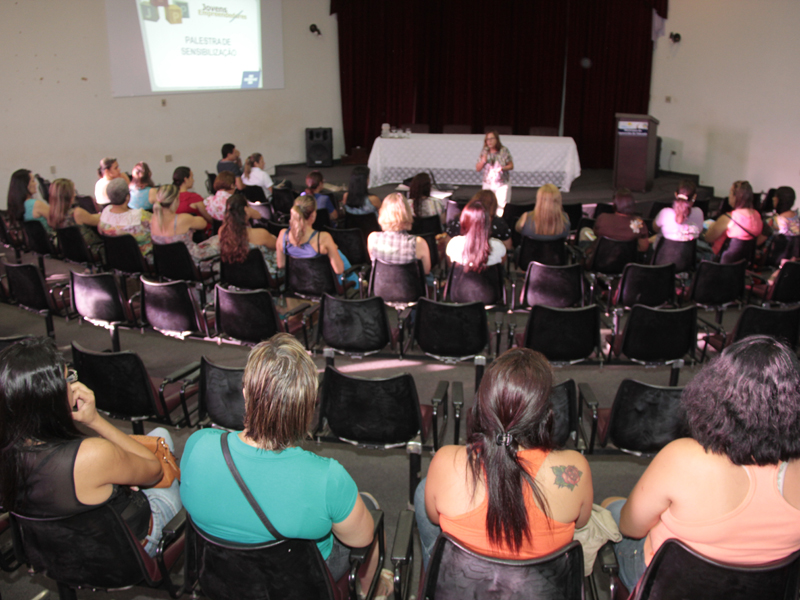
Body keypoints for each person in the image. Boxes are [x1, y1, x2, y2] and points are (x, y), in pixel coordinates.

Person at [180, 334, 392, 596]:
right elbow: (361, 540)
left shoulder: (197, 446)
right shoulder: (327, 477)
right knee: (367, 506)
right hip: (298, 585)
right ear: (307, 410)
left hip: (222, 579)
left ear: (246, 393)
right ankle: (372, 588)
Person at [603, 335, 800, 592]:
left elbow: (631, 527)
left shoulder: (686, 457)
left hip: (667, 586)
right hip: (760, 590)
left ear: (716, 391)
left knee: (611, 508)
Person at [0, 337, 182, 558]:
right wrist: (95, 420)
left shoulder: (11, 450)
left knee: (158, 437)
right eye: (68, 378)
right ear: (50, 395)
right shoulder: (92, 454)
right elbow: (154, 472)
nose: (74, 385)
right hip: (122, 552)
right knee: (165, 445)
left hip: (56, 550)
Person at [415, 348, 593, 567]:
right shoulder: (575, 468)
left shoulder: (445, 461)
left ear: (482, 406)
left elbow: (434, 518)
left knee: (423, 490)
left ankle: (430, 572)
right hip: (540, 590)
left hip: (464, 588)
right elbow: (582, 521)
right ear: (546, 414)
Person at [276, 196, 357, 286]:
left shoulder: (283, 235)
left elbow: (281, 265)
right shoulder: (323, 238)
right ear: (313, 215)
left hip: (297, 286)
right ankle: (360, 289)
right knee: (338, 254)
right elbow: (339, 270)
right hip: (324, 288)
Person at [150, 184, 219, 263]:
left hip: (167, 264)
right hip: (194, 263)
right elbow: (203, 223)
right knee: (218, 239)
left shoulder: (153, 219)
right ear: (176, 200)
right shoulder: (182, 219)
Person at [367, 193, 431, 274]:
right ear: (407, 213)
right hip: (409, 286)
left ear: (382, 212)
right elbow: (426, 271)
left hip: (381, 285)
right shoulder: (419, 243)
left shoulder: (372, 238)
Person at [219, 193, 280, 277]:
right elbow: (278, 246)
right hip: (262, 277)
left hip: (236, 277)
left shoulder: (222, 231)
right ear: (246, 209)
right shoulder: (261, 234)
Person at [98, 177, 153, 262]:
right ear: (127, 197)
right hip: (142, 260)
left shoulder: (105, 214)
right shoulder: (141, 216)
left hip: (116, 260)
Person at [704, 180, 763, 256]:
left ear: (736, 197)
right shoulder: (757, 216)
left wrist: (712, 227)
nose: (729, 196)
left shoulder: (728, 219)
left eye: (730, 193)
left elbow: (708, 238)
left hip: (719, 259)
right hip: (743, 261)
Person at [446, 198, 506, 271]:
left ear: (464, 221)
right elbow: (500, 269)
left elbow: (451, 268)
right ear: (488, 223)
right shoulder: (499, 246)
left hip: (461, 282)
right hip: (490, 282)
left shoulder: (454, 244)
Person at [586, 188, 649, 255]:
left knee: (585, 231)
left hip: (600, 261)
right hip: (627, 262)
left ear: (615, 204)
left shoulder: (603, 218)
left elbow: (596, 234)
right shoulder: (639, 223)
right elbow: (643, 248)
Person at [445, 190, 513, 250]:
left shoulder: (460, 220)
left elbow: (447, 244)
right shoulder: (499, 223)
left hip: (461, 261)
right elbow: (508, 247)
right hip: (491, 261)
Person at [47, 178, 102, 248]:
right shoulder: (77, 213)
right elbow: (99, 221)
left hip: (71, 252)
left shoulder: (53, 214)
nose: (75, 195)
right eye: (73, 192)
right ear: (67, 196)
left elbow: (90, 217)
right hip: (93, 250)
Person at [475, 130, 514, 216]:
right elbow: (478, 168)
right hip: (488, 183)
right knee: (486, 204)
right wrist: (483, 161)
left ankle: (500, 223)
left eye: (492, 139)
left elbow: (511, 166)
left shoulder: (504, 150)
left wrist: (502, 168)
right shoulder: (484, 152)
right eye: (487, 139)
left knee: (501, 206)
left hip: (502, 183)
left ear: (497, 139)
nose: (489, 141)